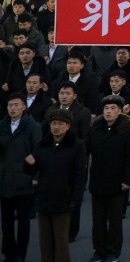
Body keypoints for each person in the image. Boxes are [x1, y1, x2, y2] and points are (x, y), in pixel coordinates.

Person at [25, 108, 86, 262]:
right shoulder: (41, 145)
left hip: (64, 200)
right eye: (53, 123)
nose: (56, 127)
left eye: (60, 124)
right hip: (43, 198)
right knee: (45, 242)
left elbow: (80, 175)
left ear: (67, 126)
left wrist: (75, 199)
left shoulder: (77, 145)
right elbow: (33, 169)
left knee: (61, 242)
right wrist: (29, 165)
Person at [85, 95, 130, 262]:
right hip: (97, 179)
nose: (109, 112)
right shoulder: (94, 129)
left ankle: (113, 251)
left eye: (113, 109)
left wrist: (127, 180)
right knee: (98, 220)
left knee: (115, 220)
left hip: (118, 182)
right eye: (106, 109)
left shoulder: (127, 131)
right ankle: (98, 250)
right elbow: (85, 152)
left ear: (120, 111)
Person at [0, 91, 42, 262]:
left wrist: (36, 176)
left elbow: (38, 153)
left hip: (25, 178)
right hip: (5, 179)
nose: (13, 108)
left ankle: (20, 254)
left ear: (24, 107)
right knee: (6, 221)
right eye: (10, 105)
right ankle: (8, 252)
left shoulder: (33, 127)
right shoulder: (2, 125)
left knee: (24, 222)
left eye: (17, 105)